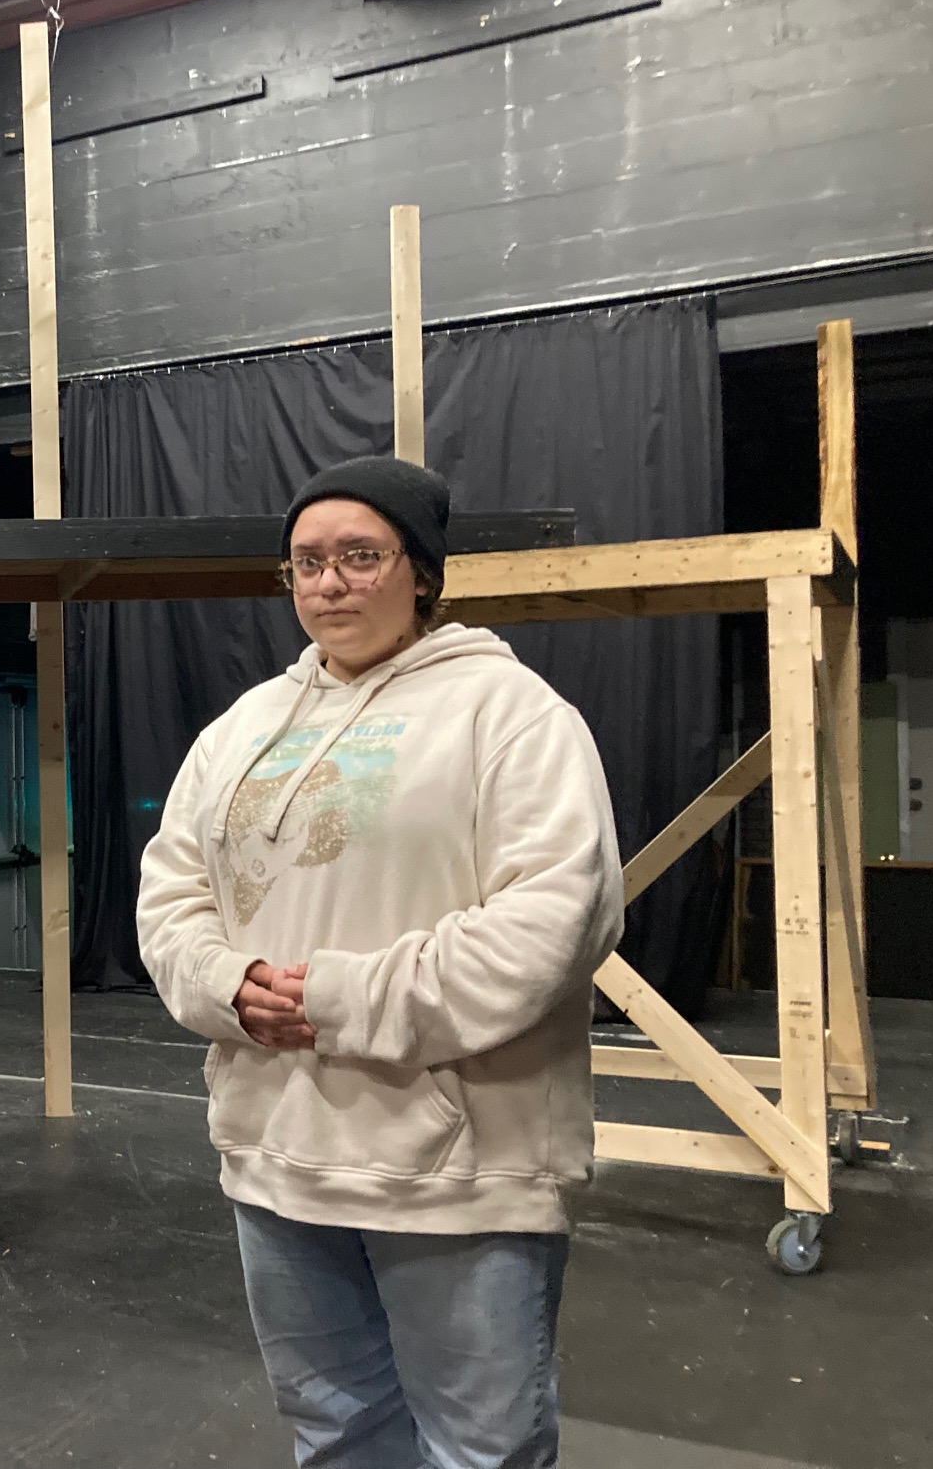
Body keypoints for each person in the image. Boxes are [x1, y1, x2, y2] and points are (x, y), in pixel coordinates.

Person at [137, 455, 624, 1469]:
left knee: (481, 1449)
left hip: (458, 1172)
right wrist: (228, 986)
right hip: (275, 1154)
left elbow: (554, 922)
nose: (329, 583)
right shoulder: (241, 729)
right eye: (306, 562)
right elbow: (173, 895)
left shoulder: (513, 716)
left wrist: (339, 998)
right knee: (335, 1434)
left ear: (422, 572)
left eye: (360, 555)